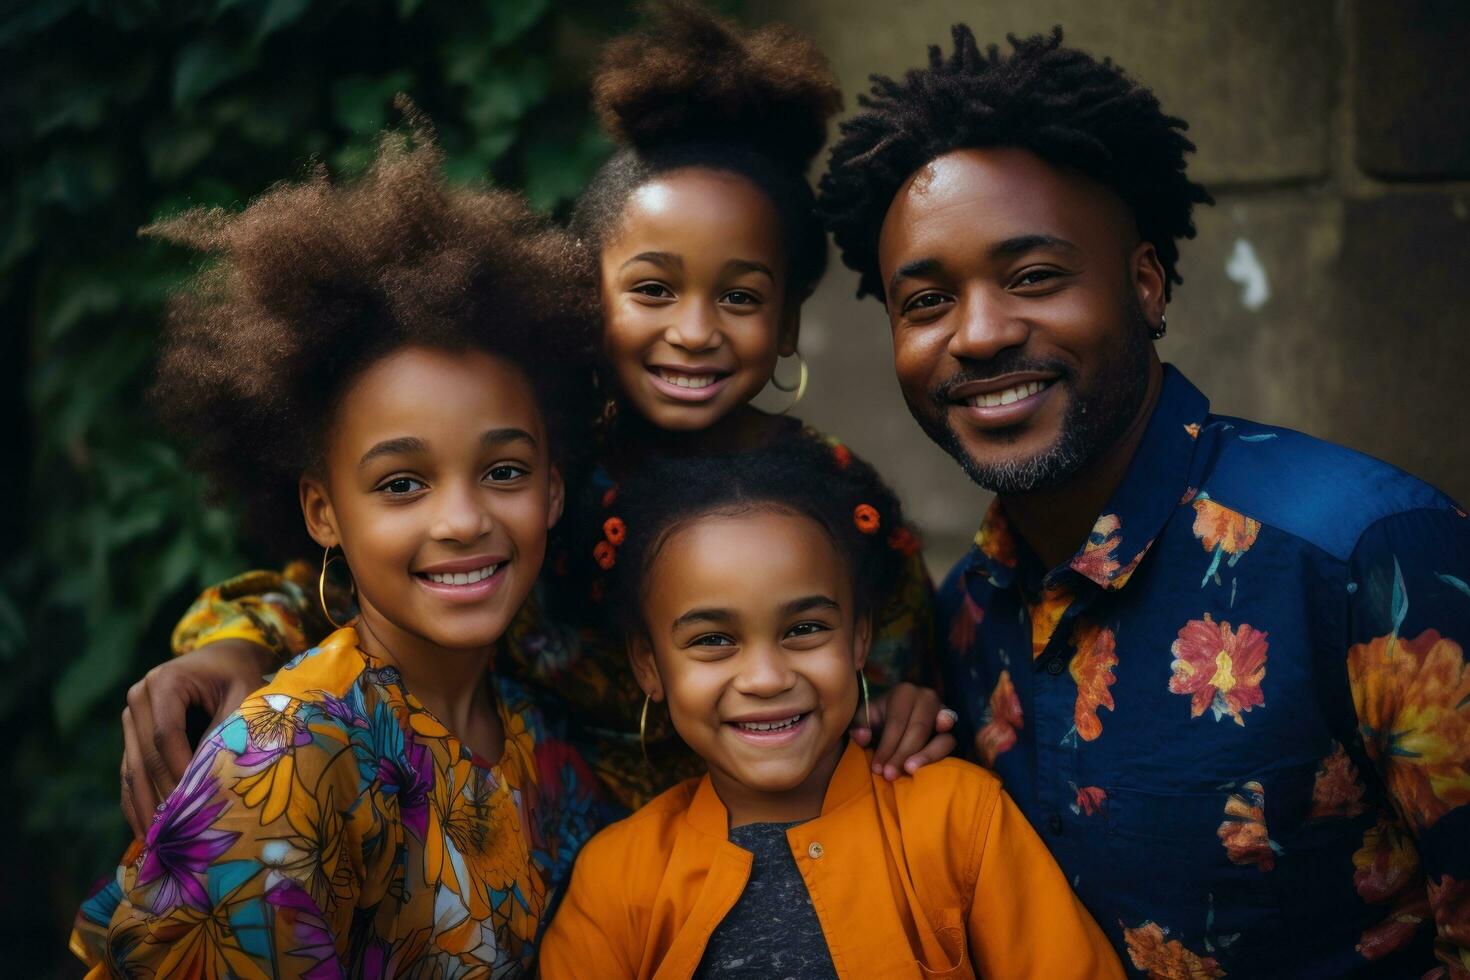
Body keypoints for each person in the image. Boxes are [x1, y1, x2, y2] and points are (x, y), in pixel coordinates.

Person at [115, 0, 950, 823]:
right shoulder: (539, 468)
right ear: (589, 296)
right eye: (653, 290)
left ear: (789, 322)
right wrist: (233, 642)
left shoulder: (843, 502)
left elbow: (896, 667)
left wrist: (906, 705)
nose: (693, 331)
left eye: (739, 296)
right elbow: (349, 588)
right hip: (565, 877)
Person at [817, 25, 1470, 978]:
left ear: (1146, 284)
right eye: (926, 303)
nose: (981, 334)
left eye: (1034, 277)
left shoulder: (1367, 557)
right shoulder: (963, 618)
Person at [72, 125, 613, 976]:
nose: (463, 519)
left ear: (553, 488)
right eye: (402, 484)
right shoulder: (283, 761)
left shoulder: (541, 724)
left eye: (503, 470)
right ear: (324, 512)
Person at [540, 436, 1123, 979]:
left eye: (805, 628)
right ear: (648, 665)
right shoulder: (614, 881)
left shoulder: (958, 819)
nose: (766, 678)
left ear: (859, 638)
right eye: (712, 639)